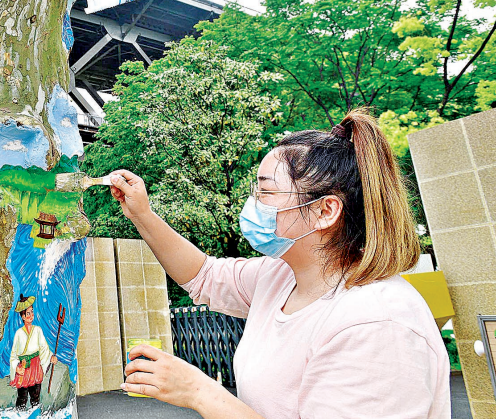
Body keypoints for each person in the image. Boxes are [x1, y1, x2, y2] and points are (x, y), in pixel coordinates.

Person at [109, 108, 450, 418]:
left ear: (324, 211)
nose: (252, 205)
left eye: (266, 193)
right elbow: (203, 275)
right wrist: (142, 214)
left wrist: (199, 391)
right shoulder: (282, 276)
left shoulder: (377, 324)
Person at [9, 295, 57, 409]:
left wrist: (51, 357)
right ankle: (19, 414)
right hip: (24, 366)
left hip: (36, 366)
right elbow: (13, 355)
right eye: (28, 313)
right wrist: (16, 367)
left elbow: (44, 348)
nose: (31, 315)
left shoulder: (38, 330)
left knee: (35, 394)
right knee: (22, 396)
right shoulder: (19, 333)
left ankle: (35, 412)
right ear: (23, 317)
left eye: (32, 312)